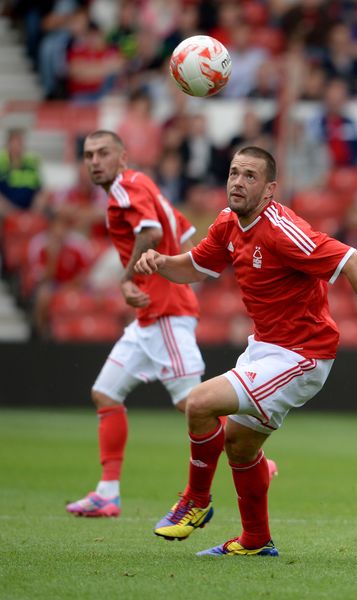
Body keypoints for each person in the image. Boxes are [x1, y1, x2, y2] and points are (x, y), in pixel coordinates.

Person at [134, 146, 357, 557]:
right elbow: (195, 269)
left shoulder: (282, 229)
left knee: (198, 404)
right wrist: (161, 261)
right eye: (234, 172)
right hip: (265, 349)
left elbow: (356, 263)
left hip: (302, 355)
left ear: (270, 189)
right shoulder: (227, 223)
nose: (238, 181)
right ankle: (255, 541)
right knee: (239, 446)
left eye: (250, 176)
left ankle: (196, 502)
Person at [66, 130, 206, 518]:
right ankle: (107, 493)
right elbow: (183, 230)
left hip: (165, 313)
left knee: (195, 407)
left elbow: (153, 231)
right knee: (105, 394)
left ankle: (257, 460)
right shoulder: (142, 183)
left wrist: (128, 278)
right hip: (150, 317)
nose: (94, 161)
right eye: (88, 154)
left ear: (122, 157)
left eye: (103, 153)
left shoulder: (125, 188)